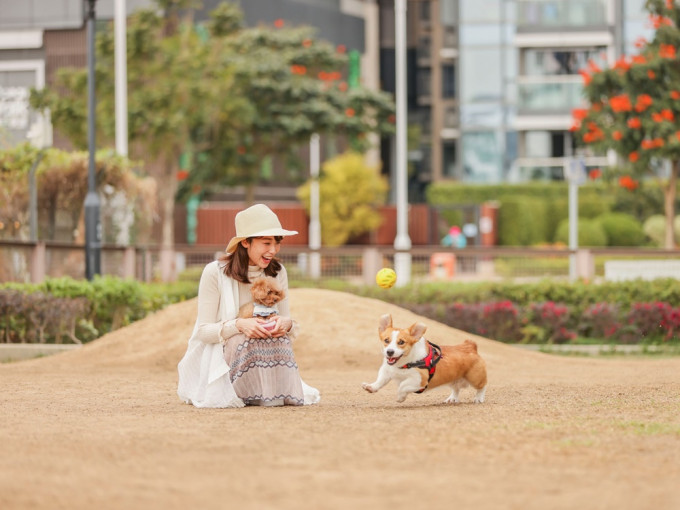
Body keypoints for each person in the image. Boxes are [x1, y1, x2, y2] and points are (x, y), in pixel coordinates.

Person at [177, 204, 320, 408]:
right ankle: (245, 392)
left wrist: (285, 324)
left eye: (277, 243)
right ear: (245, 242)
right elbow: (203, 332)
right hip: (224, 353)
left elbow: (287, 320)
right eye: (266, 243)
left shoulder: (278, 272)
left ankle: (269, 392)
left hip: (265, 345)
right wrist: (240, 325)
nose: (273, 250)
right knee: (244, 339)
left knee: (280, 340)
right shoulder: (214, 273)